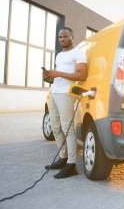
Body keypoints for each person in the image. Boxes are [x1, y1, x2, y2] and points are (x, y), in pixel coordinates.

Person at [43, 27, 87, 179]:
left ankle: (72, 164)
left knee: (67, 128)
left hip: (66, 94)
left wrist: (59, 73)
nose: (62, 39)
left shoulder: (78, 53)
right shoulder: (59, 55)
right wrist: (49, 76)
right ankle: (62, 158)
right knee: (55, 127)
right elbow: (57, 76)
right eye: (60, 37)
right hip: (55, 92)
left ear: (72, 37)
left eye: (65, 36)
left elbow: (82, 74)